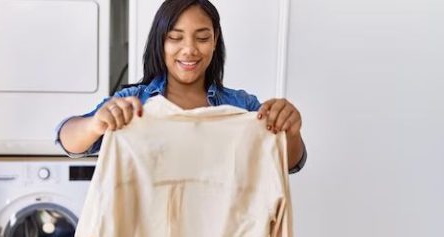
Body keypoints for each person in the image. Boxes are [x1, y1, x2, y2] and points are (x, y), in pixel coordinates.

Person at [56, 0, 306, 173]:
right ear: (160, 42)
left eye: (202, 37)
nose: (189, 49)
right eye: (175, 38)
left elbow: (289, 163)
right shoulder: (133, 101)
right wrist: (94, 124)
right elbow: (68, 141)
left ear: (215, 40)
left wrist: (291, 132)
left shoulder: (243, 107)